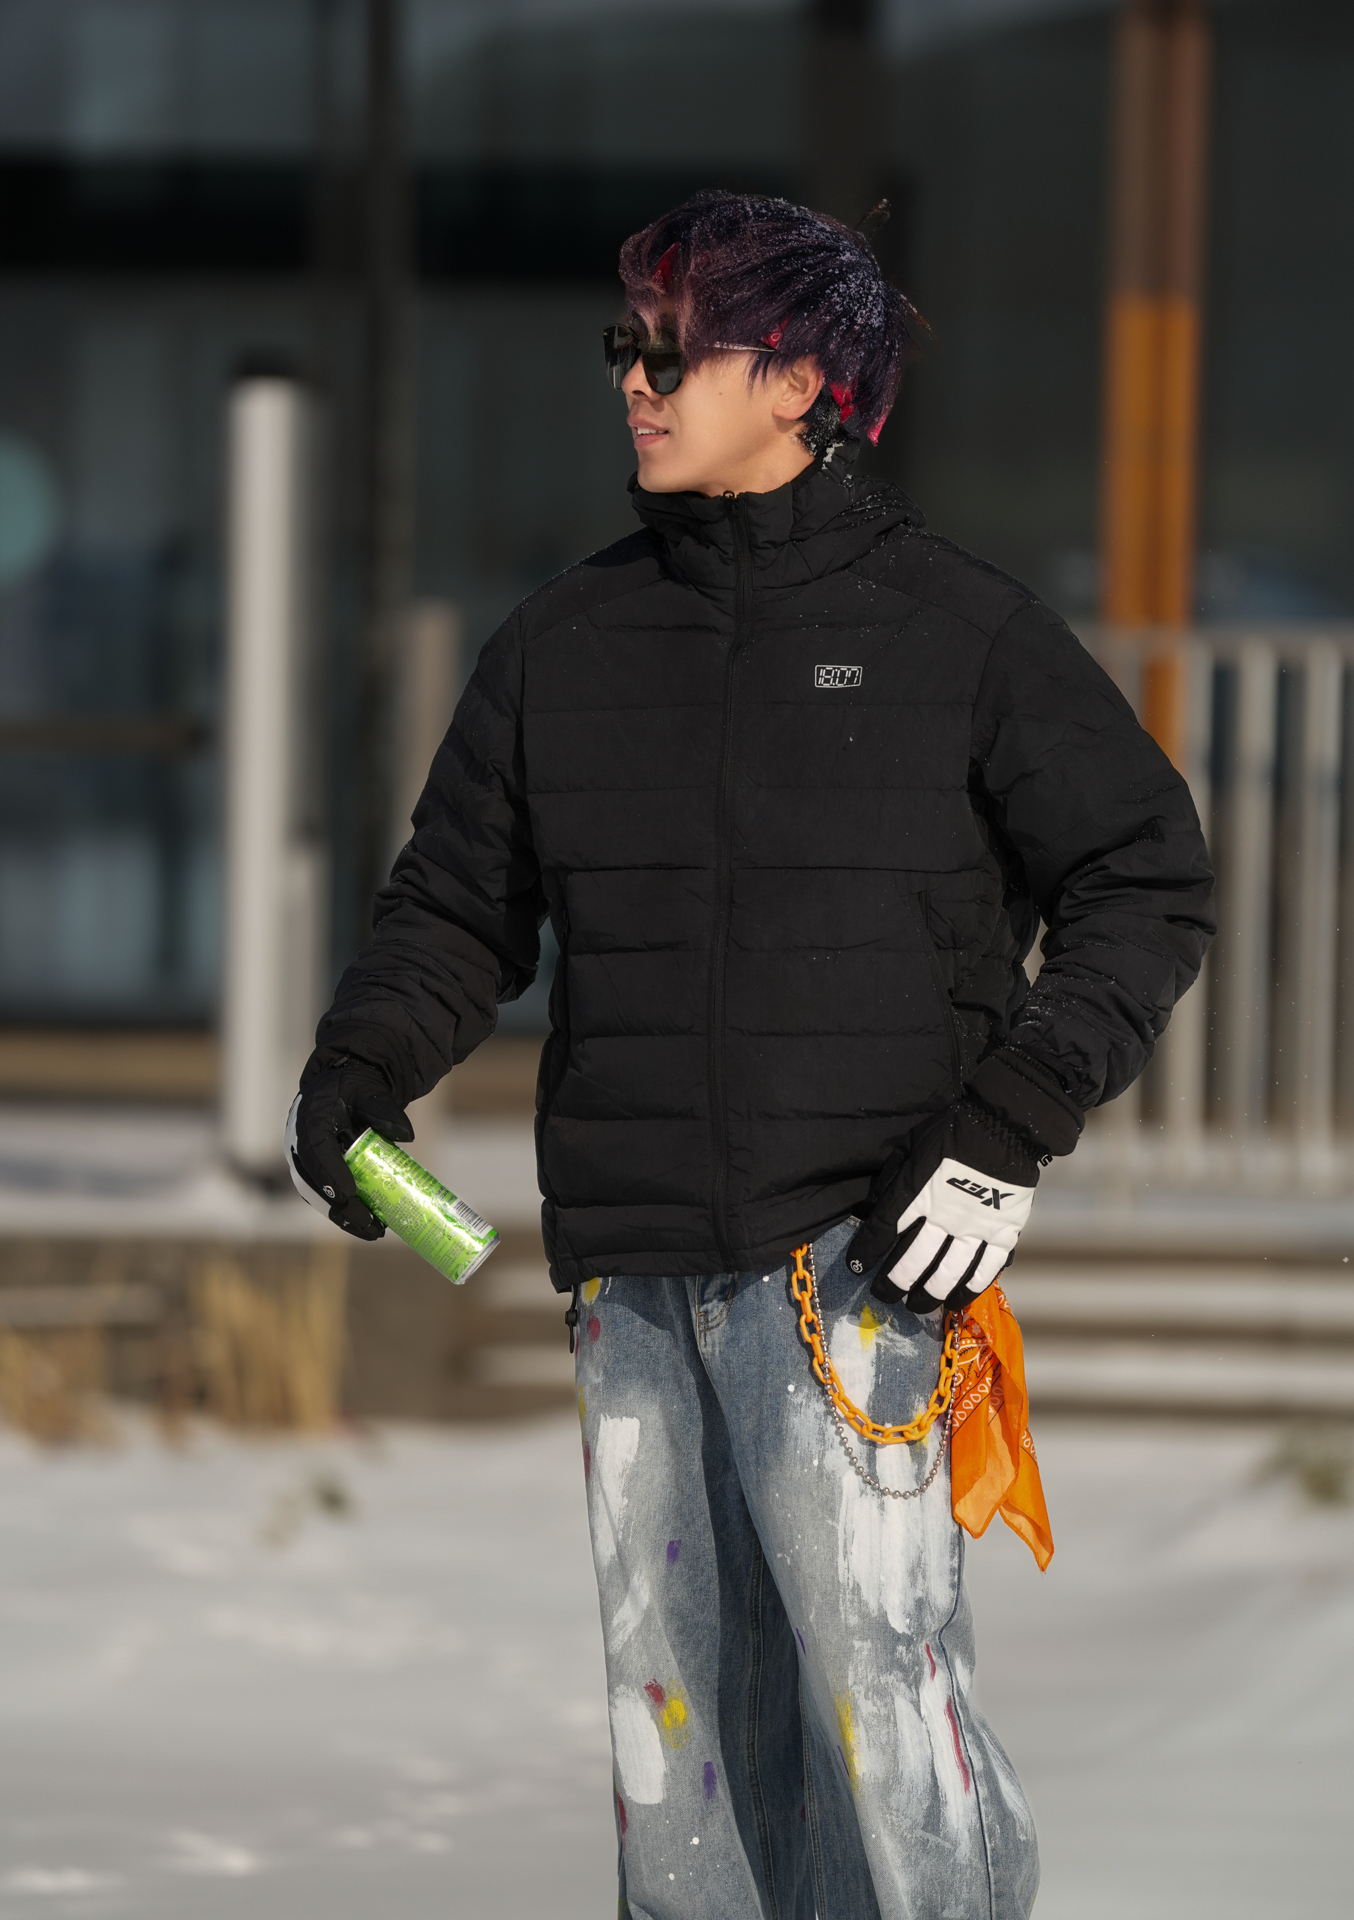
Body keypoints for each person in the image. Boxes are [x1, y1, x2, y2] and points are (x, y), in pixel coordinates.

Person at [288, 191, 1214, 1919]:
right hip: (631, 1264)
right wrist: (362, 1066)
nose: (632, 384)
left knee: (881, 1702)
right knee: (679, 1737)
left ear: (797, 382)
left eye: (673, 353)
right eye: (620, 350)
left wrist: (1011, 1121)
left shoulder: (961, 634)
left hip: (858, 1257)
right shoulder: (563, 645)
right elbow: (458, 908)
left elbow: (1145, 881)